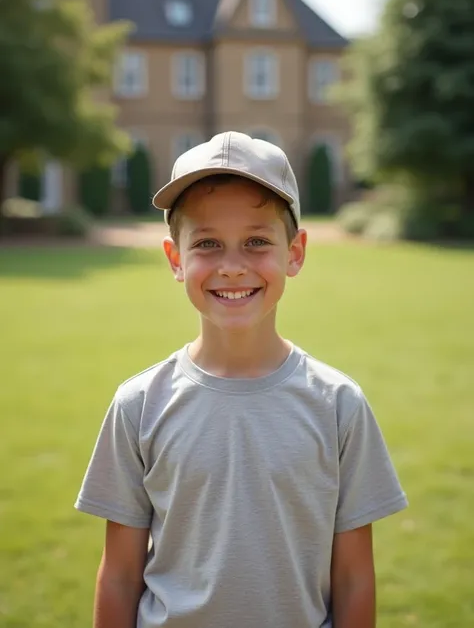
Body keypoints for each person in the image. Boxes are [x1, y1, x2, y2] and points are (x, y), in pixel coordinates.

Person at [75, 131, 408, 628]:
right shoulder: (139, 404)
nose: (232, 267)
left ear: (295, 252)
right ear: (175, 258)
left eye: (257, 242)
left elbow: (355, 578)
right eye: (207, 243)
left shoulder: (339, 404)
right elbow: (120, 575)